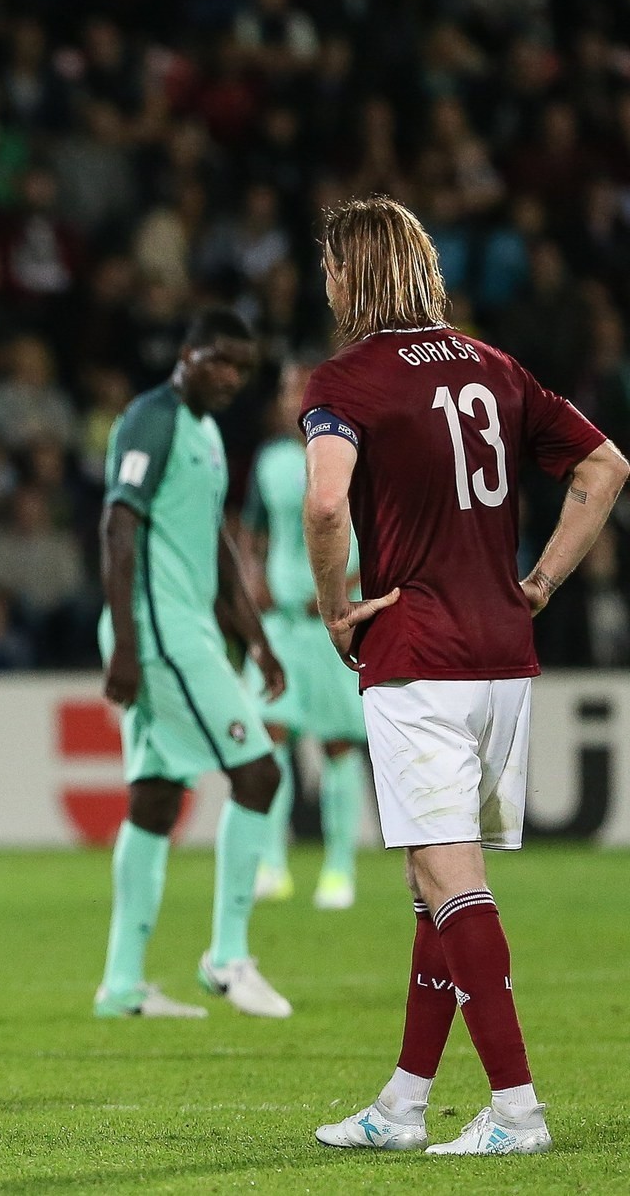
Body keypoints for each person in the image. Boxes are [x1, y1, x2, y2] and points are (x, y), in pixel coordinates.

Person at [305, 196, 626, 1156]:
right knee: (430, 880)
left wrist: (335, 606)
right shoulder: (493, 365)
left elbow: (326, 506)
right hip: (503, 660)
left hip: (418, 656)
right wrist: (539, 580)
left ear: (354, 272)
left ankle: (517, 1110)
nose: (324, 280)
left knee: (453, 881)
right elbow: (604, 466)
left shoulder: (348, 379)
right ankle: (404, 1103)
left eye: (330, 265)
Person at [94, 308, 293, 1021]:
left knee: (154, 799)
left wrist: (259, 637)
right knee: (259, 770)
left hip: (183, 627)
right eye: (220, 360)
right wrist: (125, 640)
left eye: (242, 367)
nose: (231, 377)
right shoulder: (154, 418)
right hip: (158, 630)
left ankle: (121, 983)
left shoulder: (207, 434)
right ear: (187, 353)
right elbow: (119, 526)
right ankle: (228, 956)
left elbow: (215, 547)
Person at [240, 362, 368, 910]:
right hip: (283, 621)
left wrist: (354, 589)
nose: (293, 395)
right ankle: (273, 862)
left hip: (335, 620)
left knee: (337, 744)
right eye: (288, 387)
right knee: (272, 736)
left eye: (302, 385)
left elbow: (380, 533)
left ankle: (340, 867)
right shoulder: (270, 462)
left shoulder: (359, 456)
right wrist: (252, 577)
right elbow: (250, 531)